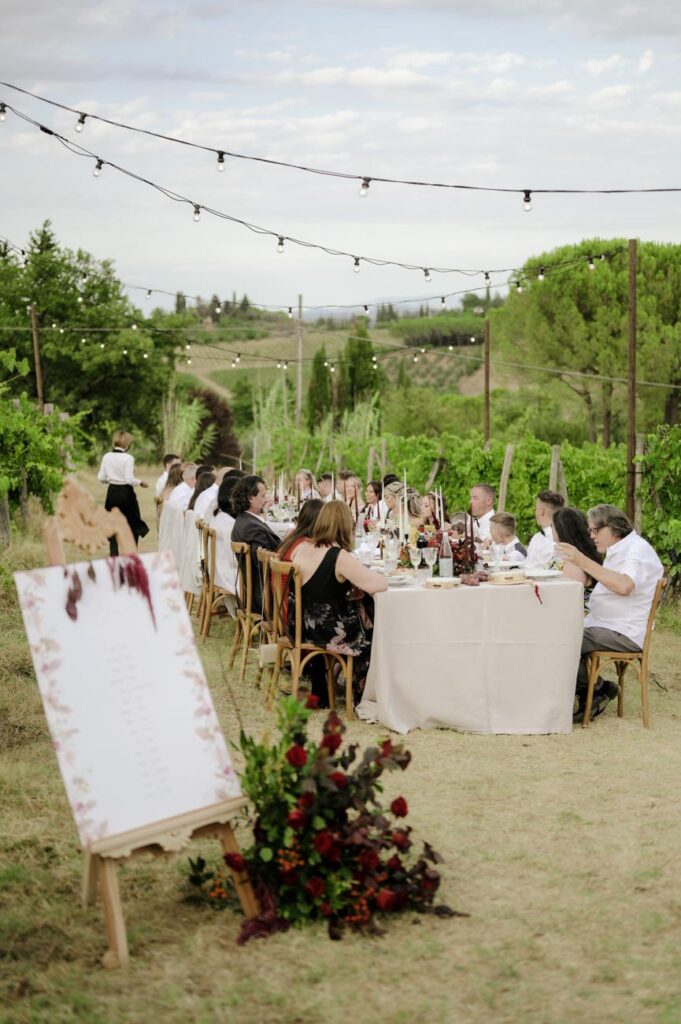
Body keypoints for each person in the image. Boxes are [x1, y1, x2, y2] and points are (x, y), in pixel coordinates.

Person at [555, 504, 664, 721]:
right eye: (590, 531)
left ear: (613, 529)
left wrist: (581, 560)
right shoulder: (619, 549)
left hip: (624, 631)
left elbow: (624, 586)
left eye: (596, 531)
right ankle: (595, 689)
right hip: (607, 624)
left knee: (564, 637)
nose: (591, 536)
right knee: (558, 631)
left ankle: (594, 690)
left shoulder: (636, 551)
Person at [291, 501, 387, 705]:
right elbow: (376, 584)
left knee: (363, 609)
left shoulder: (303, 547)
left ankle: (335, 682)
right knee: (375, 630)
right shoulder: (337, 555)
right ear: (345, 526)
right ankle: (364, 690)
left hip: (303, 623)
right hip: (329, 629)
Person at [230, 475, 280, 611]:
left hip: (257, 591)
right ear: (251, 498)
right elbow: (264, 564)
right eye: (263, 496)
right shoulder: (251, 527)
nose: (266, 499)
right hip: (267, 596)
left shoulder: (244, 520)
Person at [97, 429, 149, 555]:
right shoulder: (128, 458)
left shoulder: (106, 456)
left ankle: (113, 553)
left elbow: (101, 478)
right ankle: (132, 553)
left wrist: (111, 479)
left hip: (112, 493)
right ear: (127, 444)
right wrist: (140, 482)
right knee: (132, 522)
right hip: (126, 493)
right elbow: (128, 479)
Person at [552, 507, 601, 587]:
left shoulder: (572, 562)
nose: (551, 529)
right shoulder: (563, 555)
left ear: (561, 530)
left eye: (553, 526)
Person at [525, 490, 565, 570]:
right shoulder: (537, 537)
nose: (535, 512)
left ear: (541, 511)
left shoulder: (557, 540)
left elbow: (556, 569)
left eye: (536, 509)